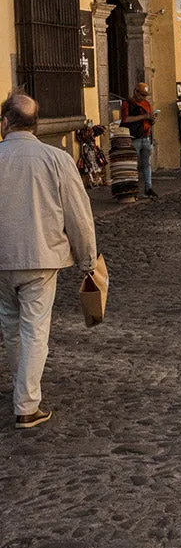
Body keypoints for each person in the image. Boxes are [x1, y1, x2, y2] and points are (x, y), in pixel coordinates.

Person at [0, 92, 97, 429]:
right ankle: (26, 403)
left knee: (10, 326)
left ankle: (21, 387)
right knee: (34, 329)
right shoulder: (56, 158)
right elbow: (79, 215)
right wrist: (88, 260)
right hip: (41, 257)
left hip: (2, 258)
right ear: (36, 124)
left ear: (5, 122)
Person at [121, 82, 158, 198]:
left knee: (147, 164)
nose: (143, 98)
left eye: (145, 95)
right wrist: (144, 117)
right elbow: (125, 119)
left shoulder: (147, 104)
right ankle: (133, 189)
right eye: (142, 95)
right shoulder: (128, 104)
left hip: (146, 137)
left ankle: (148, 187)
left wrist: (152, 119)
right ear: (135, 92)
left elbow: (148, 119)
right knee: (132, 165)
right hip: (134, 138)